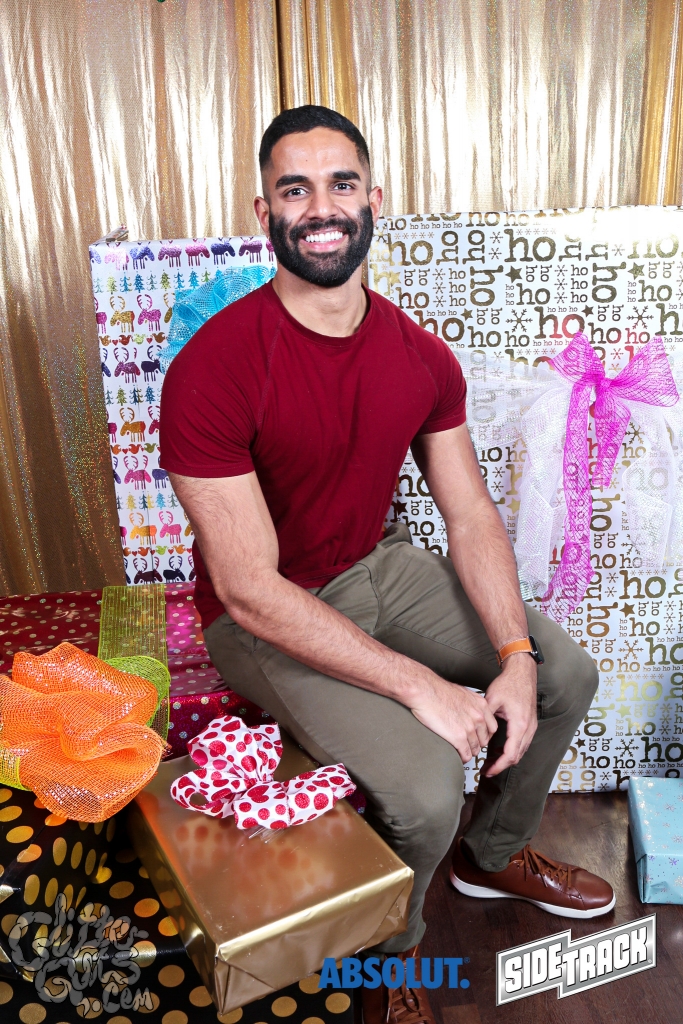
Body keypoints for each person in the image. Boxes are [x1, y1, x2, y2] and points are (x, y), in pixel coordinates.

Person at [159, 105, 614, 1024]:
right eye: (295, 190)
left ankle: (492, 855)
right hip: (266, 613)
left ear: (373, 199)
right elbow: (248, 587)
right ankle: (388, 951)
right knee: (423, 786)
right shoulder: (212, 369)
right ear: (264, 213)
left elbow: (468, 512)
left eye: (340, 184)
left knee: (563, 671)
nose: (320, 207)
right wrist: (420, 687)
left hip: (379, 567)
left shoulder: (420, 355)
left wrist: (513, 657)